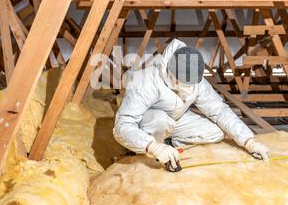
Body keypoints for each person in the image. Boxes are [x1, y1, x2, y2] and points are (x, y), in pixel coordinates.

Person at [113, 39, 269, 172]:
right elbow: (123, 125)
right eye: (184, 82)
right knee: (159, 119)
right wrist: (152, 146)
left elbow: (219, 110)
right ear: (171, 75)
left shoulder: (196, 80)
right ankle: (142, 147)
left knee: (216, 132)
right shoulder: (146, 81)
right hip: (148, 122)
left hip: (176, 119)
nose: (189, 86)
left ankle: (169, 144)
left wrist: (249, 141)